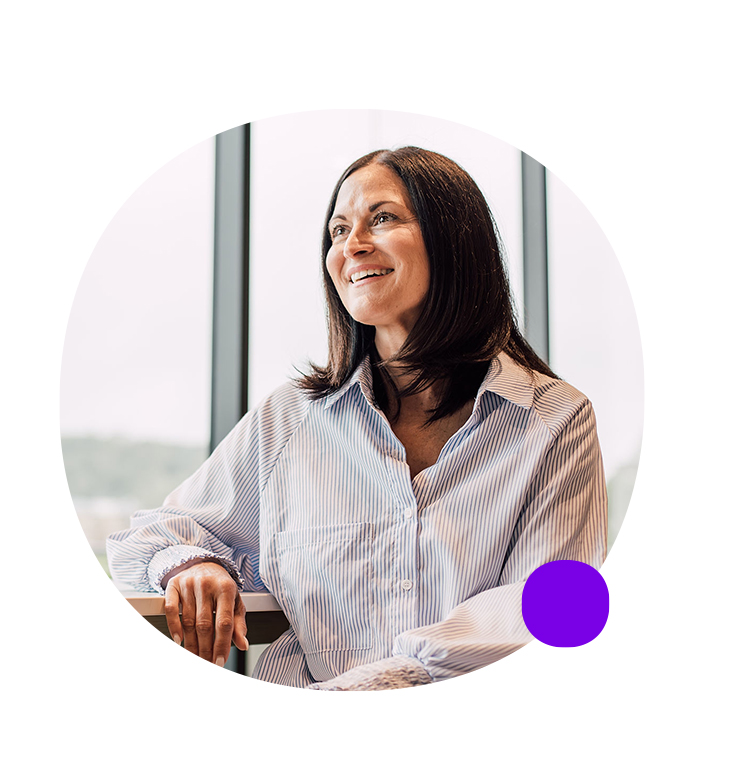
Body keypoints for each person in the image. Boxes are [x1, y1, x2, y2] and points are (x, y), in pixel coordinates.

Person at [107, 146, 608, 691]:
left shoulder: (555, 419)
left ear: (454, 239)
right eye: (338, 230)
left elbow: (552, 611)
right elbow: (149, 540)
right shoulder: (292, 419)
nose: (352, 245)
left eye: (383, 218)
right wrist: (192, 566)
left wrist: (368, 688)